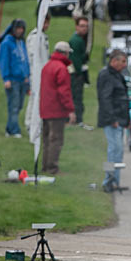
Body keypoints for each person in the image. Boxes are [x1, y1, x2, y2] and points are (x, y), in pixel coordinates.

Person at [39, 41, 76, 174]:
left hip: (45, 109)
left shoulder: (47, 66)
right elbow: (64, 92)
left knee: (47, 140)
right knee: (56, 140)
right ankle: (52, 168)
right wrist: (70, 110)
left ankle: (45, 166)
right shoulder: (61, 68)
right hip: (56, 110)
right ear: (65, 53)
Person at [97, 49, 130, 192]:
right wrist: (112, 118)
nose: (125, 65)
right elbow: (105, 98)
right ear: (114, 60)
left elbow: (123, 98)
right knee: (113, 151)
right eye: (123, 61)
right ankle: (108, 180)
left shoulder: (118, 75)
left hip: (120, 118)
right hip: (112, 119)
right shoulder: (106, 75)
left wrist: (127, 119)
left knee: (119, 151)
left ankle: (115, 180)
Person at [0, 19, 30, 138]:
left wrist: (27, 75)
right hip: (12, 79)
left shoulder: (21, 42)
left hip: (23, 79)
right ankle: (14, 130)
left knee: (19, 105)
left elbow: (25, 60)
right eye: (18, 28)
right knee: (14, 105)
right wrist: (6, 78)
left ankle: (9, 128)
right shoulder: (7, 43)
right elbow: (4, 61)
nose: (20, 31)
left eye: (22, 28)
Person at [25, 11, 51, 136]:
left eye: (48, 22)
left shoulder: (43, 37)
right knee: (35, 99)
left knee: (39, 99)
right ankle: (31, 124)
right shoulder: (35, 37)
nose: (46, 25)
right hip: (36, 74)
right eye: (45, 22)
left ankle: (35, 124)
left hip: (43, 74)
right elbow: (32, 57)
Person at [68, 17, 92, 129]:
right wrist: (81, 74)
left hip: (77, 73)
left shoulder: (81, 39)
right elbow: (77, 60)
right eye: (82, 26)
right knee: (76, 97)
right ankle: (77, 120)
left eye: (86, 26)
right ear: (76, 27)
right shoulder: (76, 40)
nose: (85, 28)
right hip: (75, 74)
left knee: (77, 97)